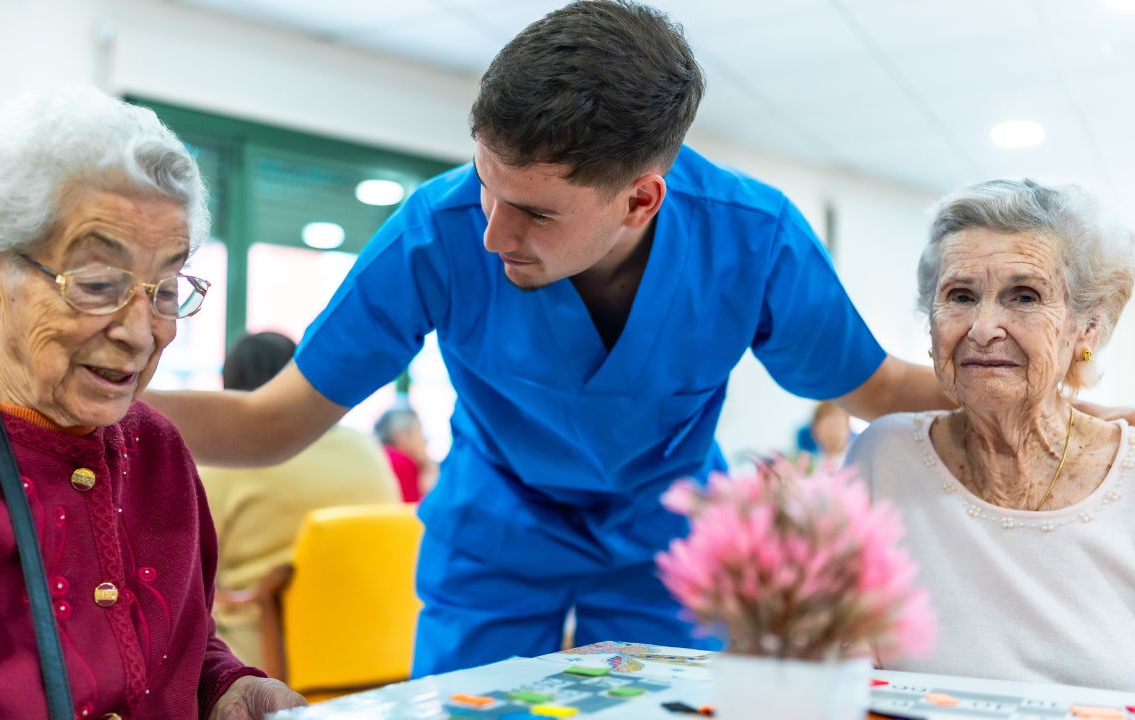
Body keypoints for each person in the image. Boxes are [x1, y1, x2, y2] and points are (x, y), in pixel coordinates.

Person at [145, 1, 953, 675]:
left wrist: (1012, 388)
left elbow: (877, 387)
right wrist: (91, 398)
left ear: (640, 201)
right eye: (486, 183)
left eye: (534, 212)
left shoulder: (752, 238)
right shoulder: (435, 232)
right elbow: (272, 422)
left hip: (665, 537)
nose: (493, 234)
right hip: (496, 532)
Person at [0, 86, 304, 717]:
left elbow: (176, 645)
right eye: (97, 284)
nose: (141, 333)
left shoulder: (157, 451)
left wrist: (225, 687)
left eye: (165, 289)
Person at [847, 179, 1135, 690]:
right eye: (960, 296)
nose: (983, 328)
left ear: (1087, 328)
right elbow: (837, 663)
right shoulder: (882, 457)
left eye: (1024, 296)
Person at [203, 331, 399, 667]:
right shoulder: (365, 448)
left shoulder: (227, 461)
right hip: (382, 647)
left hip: (269, 658)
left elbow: (187, 565)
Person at [374, 405, 437, 502]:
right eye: (419, 432)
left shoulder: (377, 456)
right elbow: (416, 509)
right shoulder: (403, 463)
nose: (425, 440)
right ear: (401, 436)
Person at [796, 400, 855, 465]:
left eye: (838, 424)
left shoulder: (857, 457)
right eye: (828, 426)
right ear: (815, 431)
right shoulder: (809, 463)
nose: (833, 431)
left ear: (848, 427)